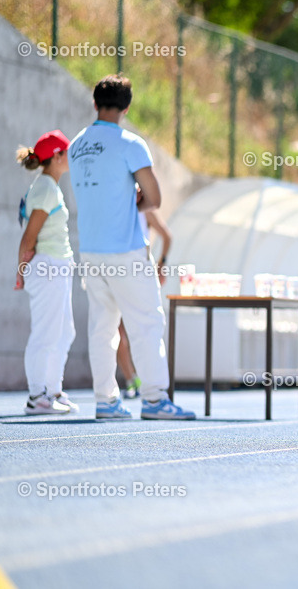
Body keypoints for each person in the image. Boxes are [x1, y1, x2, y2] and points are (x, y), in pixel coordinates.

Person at [68, 74, 195, 420]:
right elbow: (153, 198)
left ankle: (106, 401)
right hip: (125, 250)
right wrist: (132, 205)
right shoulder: (130, 143)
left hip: (91, 252)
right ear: (127, 107)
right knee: (146, 324)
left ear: (95, 103)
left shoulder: (75, 145)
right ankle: (154, 399)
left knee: (102, 328)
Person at [14, 130, 78, 415]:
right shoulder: (46, 188)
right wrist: (21, 271)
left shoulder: (49, 186)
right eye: (67, 152)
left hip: (57, 266)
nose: (70, 157)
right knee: (46, 333)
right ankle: (37, 397)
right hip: (48, 267)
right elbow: (29, 236)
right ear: (57, 156)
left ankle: (52, 391)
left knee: (64, 332)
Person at [117, 197, 173, 399]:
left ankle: (154, 387)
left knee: (145, 327)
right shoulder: (117, 203)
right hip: (118, 271)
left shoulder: (143, 205)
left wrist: (161, 264)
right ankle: (133, 380)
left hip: (139, 272)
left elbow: (167, 236)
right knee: (116, 331)